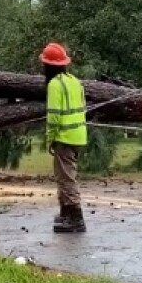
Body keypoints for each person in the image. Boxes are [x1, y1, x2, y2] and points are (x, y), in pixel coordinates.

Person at [40, 42, 87, 233]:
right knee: (63, 176)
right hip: (78, 135)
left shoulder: (54, 85)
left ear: (48, 65)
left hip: (64, 136)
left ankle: (76, 218)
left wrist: (49, 138)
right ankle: (66, 214)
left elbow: (54, 116)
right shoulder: (74, 81)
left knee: (66, 178)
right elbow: (83, 107)